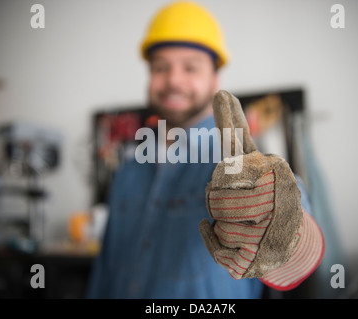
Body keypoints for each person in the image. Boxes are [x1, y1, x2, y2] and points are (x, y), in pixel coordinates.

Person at [86, 1, 324, 299]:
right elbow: (105, 271)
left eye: (190, 67)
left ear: (215, 78)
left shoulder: (240, 163)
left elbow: (298, 251)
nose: (173, 79)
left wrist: (278, 221)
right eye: (161, 67)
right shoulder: (129, 167)